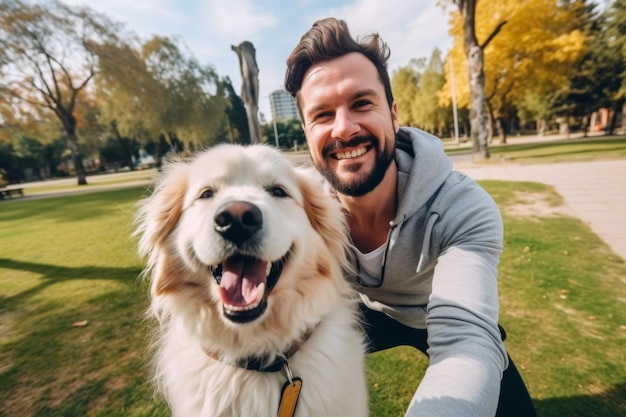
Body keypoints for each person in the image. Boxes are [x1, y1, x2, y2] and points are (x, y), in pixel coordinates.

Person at [284, 17, 537, 417]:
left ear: (394, 114)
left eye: (361, 103)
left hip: (434, 312)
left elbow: (464, 340)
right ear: (306, 131)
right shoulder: (299, 212)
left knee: (499, 389)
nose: (344, 129)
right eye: (323, 115)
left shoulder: (462, 207)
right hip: (359, 312)